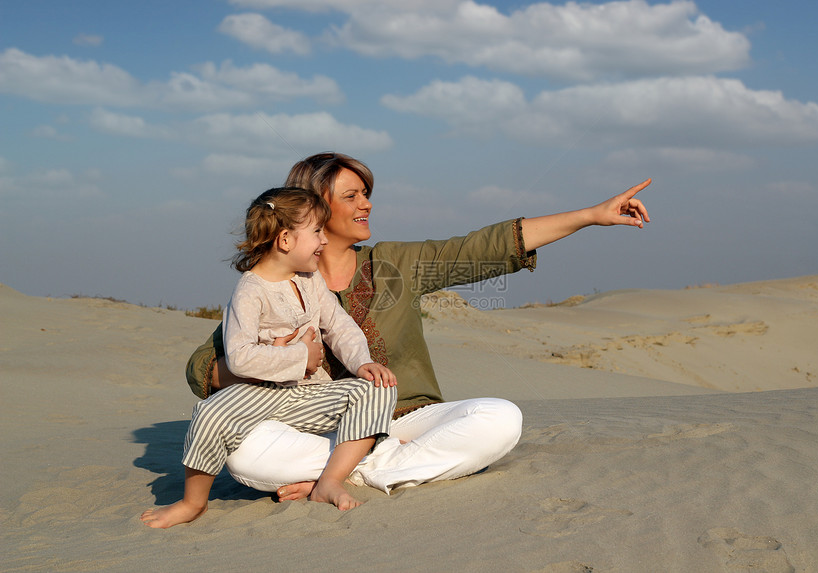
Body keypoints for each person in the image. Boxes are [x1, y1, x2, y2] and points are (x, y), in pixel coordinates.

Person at [185, 152, 651, 500]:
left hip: (408, 422)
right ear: (314, 209)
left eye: (366, 193)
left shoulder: (396, 264)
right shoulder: (275, 283)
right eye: (352, 196)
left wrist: (591, 215)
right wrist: (286, 358)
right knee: (243, 456)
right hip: (321, 429)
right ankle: (356, 471)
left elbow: (479, 249)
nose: (366, 204)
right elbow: (203, 368)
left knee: (500, 418)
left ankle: (342, 475)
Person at [141, 187, 397, 528]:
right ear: (286, 240)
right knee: (209, 413)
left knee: (378, 388)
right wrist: (299, 355)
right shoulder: (249, 291)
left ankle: (330, 481)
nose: (324, 240)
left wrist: (360, 362)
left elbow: (338, 324)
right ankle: (192, 502)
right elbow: (240, 358)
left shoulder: (310, 280)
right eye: (317, 231)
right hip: (260, 392)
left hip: (309, 393)